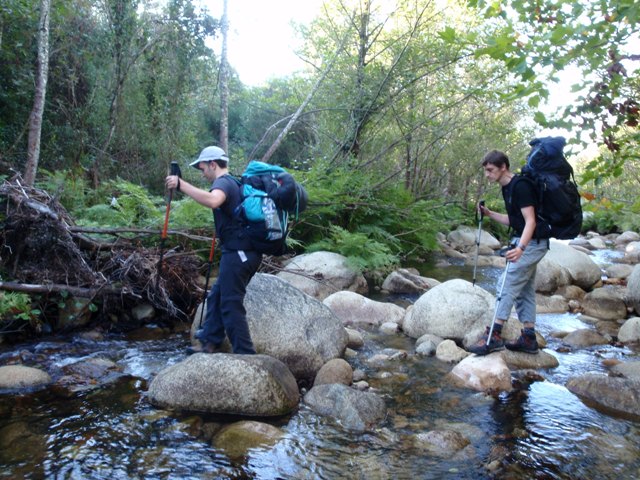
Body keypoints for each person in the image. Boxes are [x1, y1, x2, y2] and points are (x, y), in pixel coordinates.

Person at [165, 146, 261, 355]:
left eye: (203, 169)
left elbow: (213, 200)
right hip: (241, 252)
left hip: (239, 253)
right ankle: (210, 342)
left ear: (213, 164)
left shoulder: (223, 182)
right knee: (217, 296)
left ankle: (246, 355)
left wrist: (181, 185)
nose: (203, 174)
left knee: (230, 304)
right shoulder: (234, 182)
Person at [467, 150, 549, 355]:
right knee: (524, 290)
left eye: (490, 170)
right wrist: (489, 214)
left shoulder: (520, 186)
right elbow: (516, 220)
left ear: (503, 167)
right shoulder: (507, 187)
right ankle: (529, 338)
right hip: (527, 241)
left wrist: (520, 249)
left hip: (532, 243)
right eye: (486, 170)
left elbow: (531, 221)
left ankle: (493, 336)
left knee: (506, 283)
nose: (487, 174)